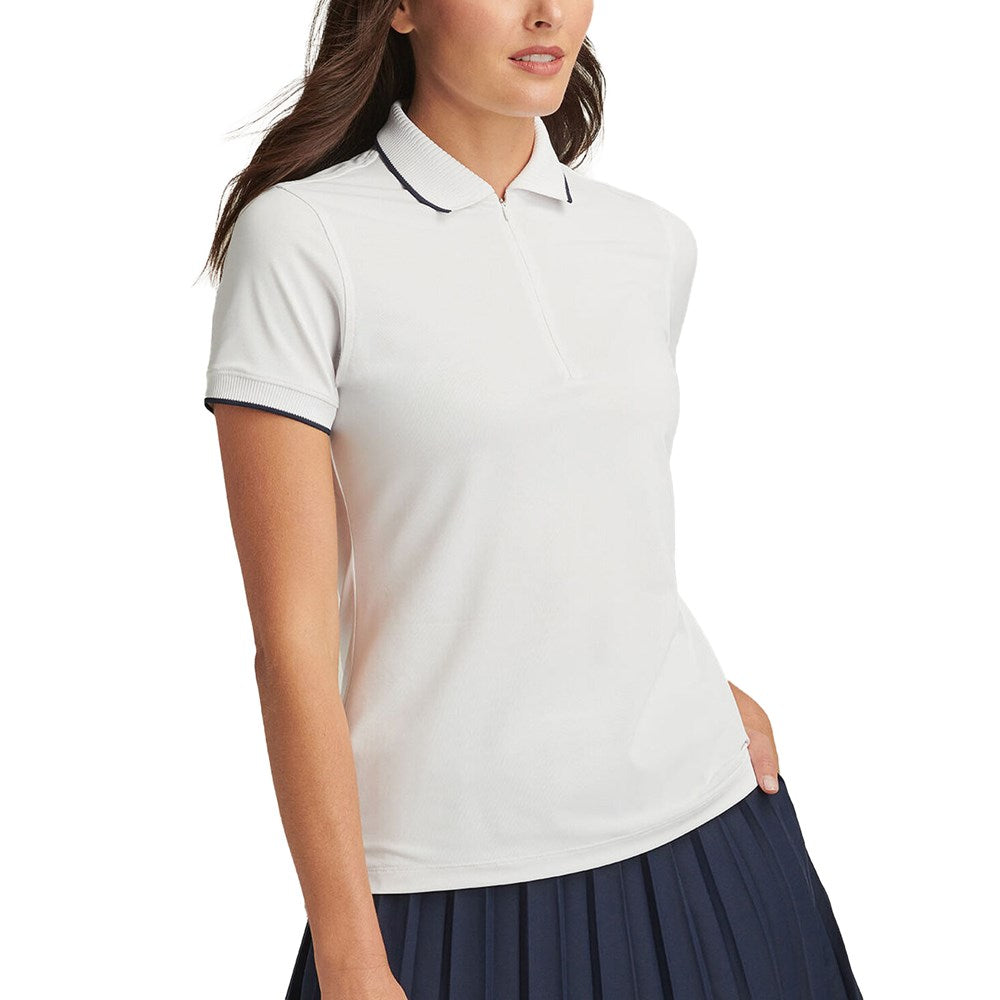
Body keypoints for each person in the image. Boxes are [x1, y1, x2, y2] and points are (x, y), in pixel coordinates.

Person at [200, 2, 865, 998]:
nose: (547, 11)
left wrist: (686, 687)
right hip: (448, 879)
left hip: (713, 831)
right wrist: (349, 955)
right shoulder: (303, 242)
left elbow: (582, 517)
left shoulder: (651, 243)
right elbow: (290, 647)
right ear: (400, 8)